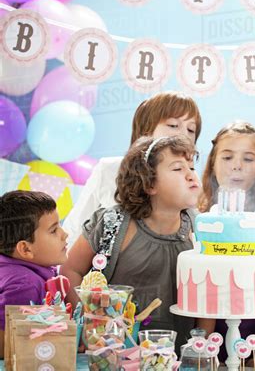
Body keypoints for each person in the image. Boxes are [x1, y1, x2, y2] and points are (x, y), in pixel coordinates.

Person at [61, 135, 201, 351]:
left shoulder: (201, 228)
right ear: (149, 183)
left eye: (191, 167)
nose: (191, 175)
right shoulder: (112, 224)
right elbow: (70, 269)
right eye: (178, 169)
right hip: (111, 351)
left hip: (176, 353)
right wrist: (87, 321)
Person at [63, 91, 202, 247]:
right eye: (173, 125)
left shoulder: (190, 179)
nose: (183, 134)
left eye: (191, 130)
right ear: (146, 130)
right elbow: (75, 229)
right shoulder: (110, 170)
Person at [197, 121, 255, 363]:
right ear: (212, 163)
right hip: (205, 340)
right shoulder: (199, 218)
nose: (236, 166)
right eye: (227, 157)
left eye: (248, 159)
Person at [0, 191, 68, 358]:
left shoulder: (20, 270)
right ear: (25, 249)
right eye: (53, 230)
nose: (64, 234)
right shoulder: (25, 284)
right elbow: (5, 346)